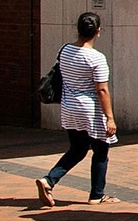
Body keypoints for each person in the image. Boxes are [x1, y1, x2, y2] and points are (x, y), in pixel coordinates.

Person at [36, 12, 119, 207]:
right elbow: (102, 90)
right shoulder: (97, 58)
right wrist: (110, 118)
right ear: (98, 32)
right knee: (100, 150)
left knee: (78, 149)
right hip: (90, 110)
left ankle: (49, 180)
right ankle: (96, 194)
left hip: (70, 107)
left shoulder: (65, 50)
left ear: (78, 29)